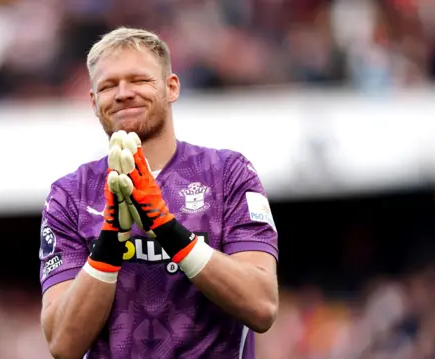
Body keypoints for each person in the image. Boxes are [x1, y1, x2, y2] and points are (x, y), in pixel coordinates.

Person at [39, 27, 279, 359]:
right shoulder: (69, 194)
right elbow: (63, 345)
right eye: (108, 86)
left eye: (139, 80)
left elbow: (262, 306)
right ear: (94, 102)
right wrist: (109, 242)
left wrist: (166, 227)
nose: (123, 93)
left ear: (171, 87)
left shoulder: (228, 173)